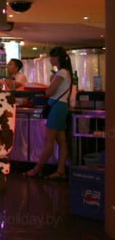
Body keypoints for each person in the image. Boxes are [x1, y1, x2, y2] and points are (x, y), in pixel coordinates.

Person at [24, 47, 72, 179]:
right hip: (61, 106)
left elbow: (50, 92)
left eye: (52, 57)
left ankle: (37, 169)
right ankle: (61, 170)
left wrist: (48, 85)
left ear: (57, 58)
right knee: (61, 140)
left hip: (57, 107)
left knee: (49, 140)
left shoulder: (61, 73)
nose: (50, 60)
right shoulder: (66, 72)